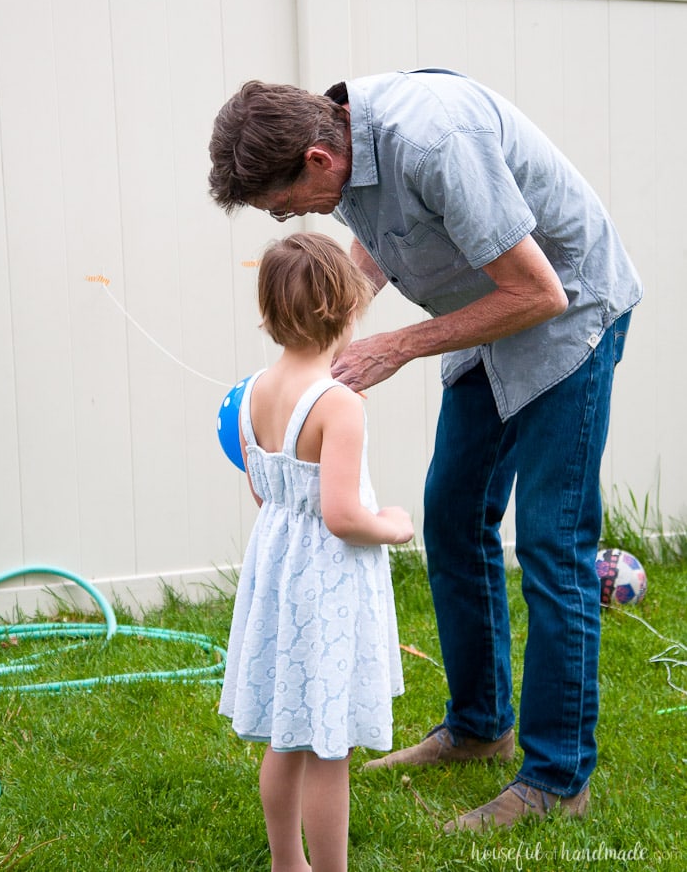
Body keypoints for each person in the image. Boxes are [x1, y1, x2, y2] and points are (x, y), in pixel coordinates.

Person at [208, 69, 642, 833]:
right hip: (487, 316)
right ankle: (478, 726)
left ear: (317, 157)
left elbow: (541, 293)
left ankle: (555, 776)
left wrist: (398, 347)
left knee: (550, 542)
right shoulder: (345, 147)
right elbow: (379, 247)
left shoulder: (433, 140)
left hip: (568, 317)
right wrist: (324, 348)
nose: (290, 219)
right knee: (450, 516)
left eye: (284, 207)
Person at [219, 231, 414, 871]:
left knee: (287, 733)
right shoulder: (339, 404)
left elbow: (262, 493)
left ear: (271, 310)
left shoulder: (250, 394)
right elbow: (341, 516)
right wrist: (392, 525)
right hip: (326, 587)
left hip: (277, 573)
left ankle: (286, 863)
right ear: (346, 309)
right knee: (330, 746)